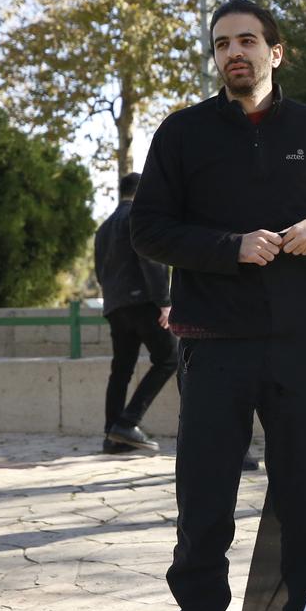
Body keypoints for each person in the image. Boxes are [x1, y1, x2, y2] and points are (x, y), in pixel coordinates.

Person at [131, 0, 306, 611]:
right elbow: (150, 229)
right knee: (204, 509)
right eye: (222, 44)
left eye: (246, 41)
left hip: (303, 347)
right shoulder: (182, 134)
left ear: (276, 51)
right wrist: (230, 248)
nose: (234, 52)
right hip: (214, 346)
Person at [94, 171, 176, 453]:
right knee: (169, 358)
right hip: (143, 302)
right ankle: (128, 422)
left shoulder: (103, 227)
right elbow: (150, 258)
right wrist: (164, 302)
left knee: (121, 370)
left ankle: (111, 436)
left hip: (115, 305)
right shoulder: (140, 216)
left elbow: (99, 272)